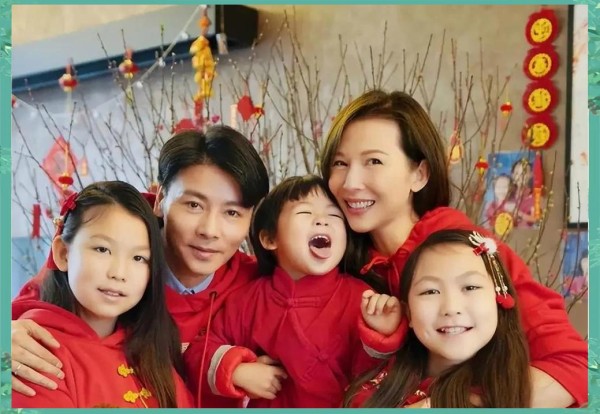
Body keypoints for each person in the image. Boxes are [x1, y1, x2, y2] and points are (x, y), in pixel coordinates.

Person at [320, 90, 587, 407]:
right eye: (340, 163)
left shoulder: (469, 252)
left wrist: (445, 404)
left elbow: (574, 367)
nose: (350, 182)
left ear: (419, 174)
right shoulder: (336, 259)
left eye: (373, 161)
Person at [11, 126, 270, 400]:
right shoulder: (110, 250)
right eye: (194, 205)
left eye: (232, 212)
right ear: (161, 199)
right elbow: (38, 303)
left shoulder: (258, 285)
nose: (209, 230)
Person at [185, 175, 402, 408]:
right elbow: (198, 352)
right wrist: (237, 370)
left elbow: (375, 378)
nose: (322, 221)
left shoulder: (360, 297)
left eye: (334, 215)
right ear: (269, 239)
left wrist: (381, 335)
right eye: (305, 212)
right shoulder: (250, 299)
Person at [12, 181, 193, 408]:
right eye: (102, 249)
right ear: (63, 253)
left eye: (138, 258)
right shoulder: (31, 351)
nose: (119, 273)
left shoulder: (151, 349)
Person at [344, 229, 531, 408]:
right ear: (408, 312)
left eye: (470, 287)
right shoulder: (385, 379)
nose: (451, 308)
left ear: (500, 297)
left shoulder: (506, 393)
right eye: (430, 291)